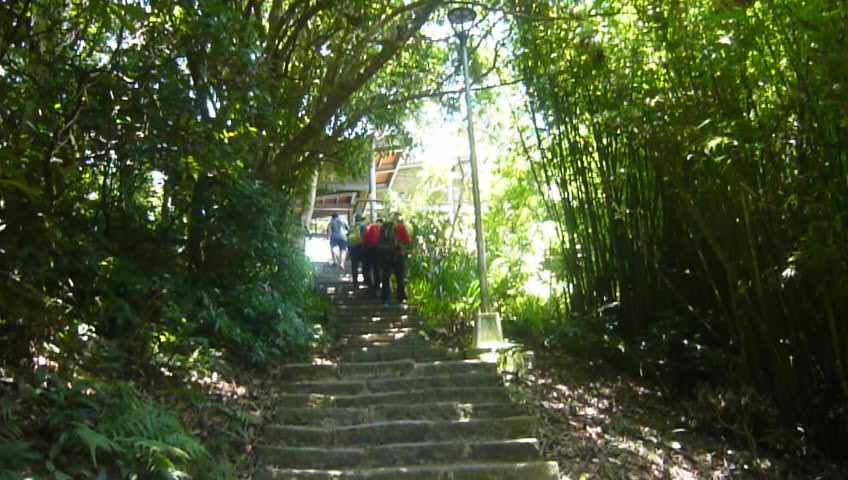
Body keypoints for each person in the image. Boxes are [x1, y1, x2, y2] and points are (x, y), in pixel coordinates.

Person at [378, 214, 412, 304]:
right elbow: (408, 241)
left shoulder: (384, 227)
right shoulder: (400, 227)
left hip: (385, 254)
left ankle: (385, 298)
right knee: (399, 277)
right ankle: (401, 298)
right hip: (397, 254)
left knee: (385, 277)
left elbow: (379, 240)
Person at [362, 218, 384, 299]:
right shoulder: (384, 229)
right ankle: (377, 286)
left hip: (370, 250)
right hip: (381, 251)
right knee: (378, 269)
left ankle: (371, 286)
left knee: (370, 268)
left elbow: (366, 239)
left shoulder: (372, 227)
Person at [348, 214, 369, 288]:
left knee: (354, 266)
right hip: (361, 248)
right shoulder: (363, 226)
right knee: (364, 265)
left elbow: (348, 238)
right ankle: (366, 281)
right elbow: (367, 237)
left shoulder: (352, 227)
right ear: (361, 219)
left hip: (353, 248)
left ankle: (355, 282)